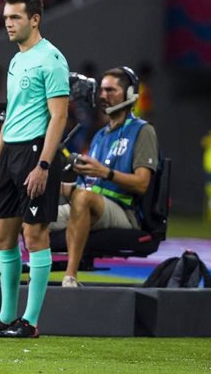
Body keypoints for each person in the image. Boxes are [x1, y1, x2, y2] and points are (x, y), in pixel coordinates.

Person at [0, 0, 69, 339]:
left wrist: (43, 164)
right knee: (2, 238)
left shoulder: (52, 59)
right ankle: (6, 316)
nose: (8, 24)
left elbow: (59, 117)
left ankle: (29, 322)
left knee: (35, 233)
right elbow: (11, 115)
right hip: (11, 151)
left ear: (34, 19)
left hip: (35, 153)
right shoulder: (16, 60)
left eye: (15, 18)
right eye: (6, 18)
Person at [56, 66, 159, 287]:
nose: (103, 96)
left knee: (83, 198)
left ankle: (70, 276)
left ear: (130, 94)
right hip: (91, 201)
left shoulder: (142, 131)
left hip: (124, 209)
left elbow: (142, 184)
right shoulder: (100, 136)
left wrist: (105, 172)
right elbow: (85, 186)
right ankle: (25, 280)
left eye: (111, 90)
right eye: (102, 90)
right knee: (34, 214)